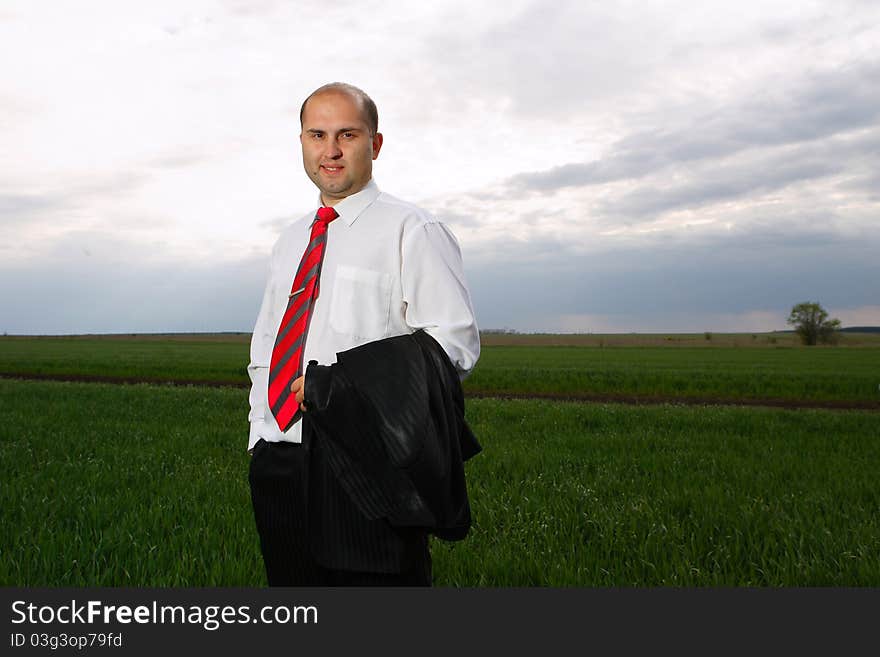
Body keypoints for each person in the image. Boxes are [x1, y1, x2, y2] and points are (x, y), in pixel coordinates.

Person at [246, 82, 481, 586]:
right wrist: (260, 433)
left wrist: (339, 386)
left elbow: (454, 343)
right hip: (279, 460)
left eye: (347, 134)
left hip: (367, 463)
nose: (329, 150)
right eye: (317, 134)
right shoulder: (290, 241)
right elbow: (267, 342)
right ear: (303, 142)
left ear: (374, 144)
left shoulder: (412, 229)